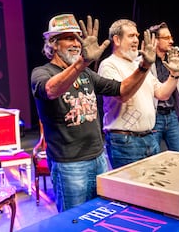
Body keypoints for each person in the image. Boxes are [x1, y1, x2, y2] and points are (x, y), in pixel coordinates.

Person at [30, 13, 156, 212]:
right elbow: (51, 90)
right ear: (53, 43)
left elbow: (122, 90)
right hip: (70, 165)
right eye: (70, 38)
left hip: (98, 159)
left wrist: (144, 66)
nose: (76, 43)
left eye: (78, 38)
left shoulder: (87, 74)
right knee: (75, 222)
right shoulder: (42, 72)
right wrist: (82, 63)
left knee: (99, 217)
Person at [97, 19, 179, 169]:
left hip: (149, 137)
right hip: (125, 141)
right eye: (131, 36)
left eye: (136, 35)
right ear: (116, 39)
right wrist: (144, 66)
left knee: (150, 188)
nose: (136, 40)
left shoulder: (139, 64)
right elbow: (122, 95)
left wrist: (174, 74)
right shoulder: (109, 65)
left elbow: (162, 94)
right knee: (131, 191)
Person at [147, 22, 179, 152]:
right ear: (155, 40)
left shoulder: (174, 59)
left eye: (171, 37)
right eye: (166, 38)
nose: (171, 41)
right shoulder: (145, 61)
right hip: (154, 115)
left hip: (171, 115)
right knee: (152, 154)